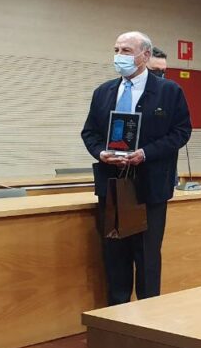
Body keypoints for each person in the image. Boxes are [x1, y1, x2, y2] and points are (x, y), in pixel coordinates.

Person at [81, 31, 191, 305]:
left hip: (149, 186)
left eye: (126, 51)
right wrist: (101, 153)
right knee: (115, 257)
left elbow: (181, 132)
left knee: (147, 258)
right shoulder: (103, 92)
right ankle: (116, 316)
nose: (119, 56)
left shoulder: (169, 91)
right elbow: (89, 133)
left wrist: (146, 153)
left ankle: (147, 317)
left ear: (145, 55)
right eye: (116, 50)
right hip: (113, 186)